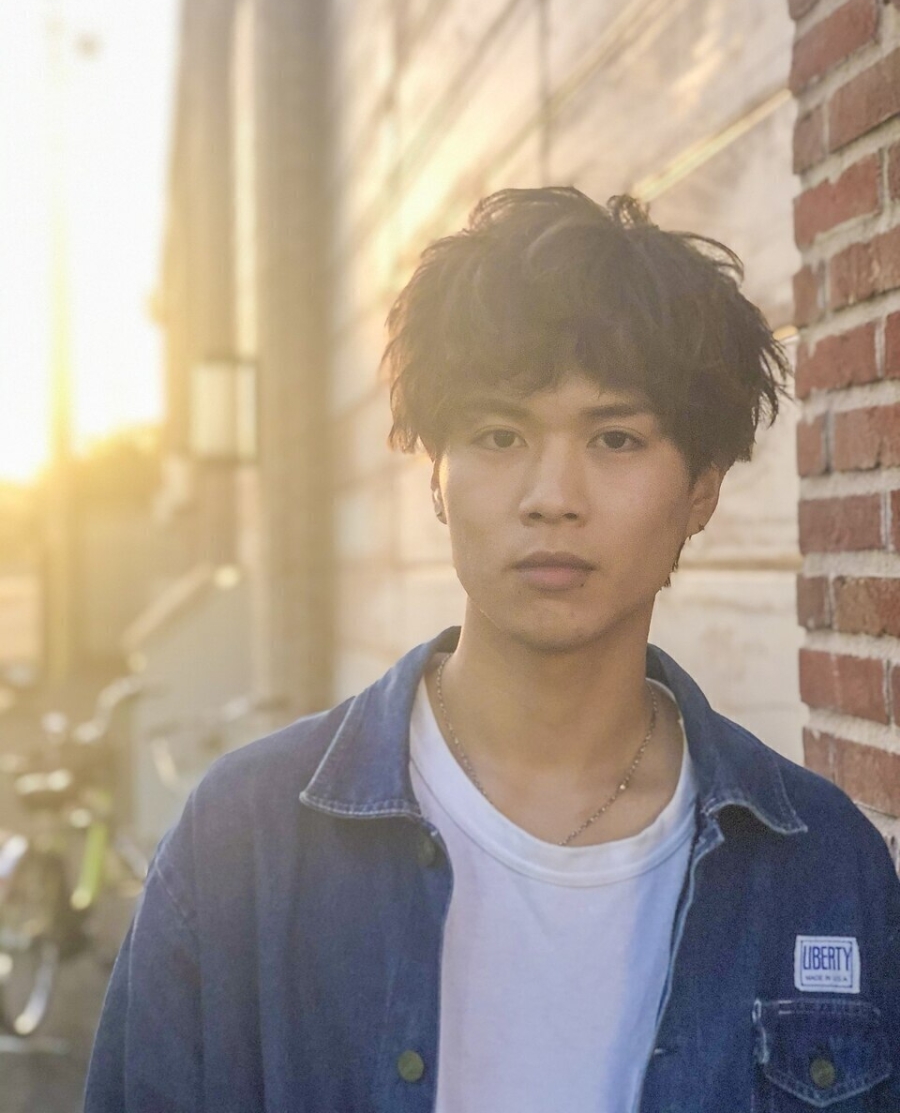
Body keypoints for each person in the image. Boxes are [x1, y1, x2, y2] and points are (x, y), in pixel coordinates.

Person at [85, 188, 900, 1112]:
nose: (552, 496)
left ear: (702, 491)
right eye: (499, 435)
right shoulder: (246, 842)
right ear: (437, 477)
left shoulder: (822, 868)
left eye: (616, 437)